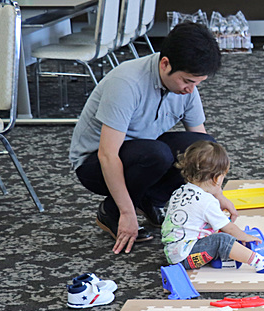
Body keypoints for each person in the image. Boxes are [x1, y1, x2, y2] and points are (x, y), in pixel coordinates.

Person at [69, 22, 239, 254]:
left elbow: (201, 144)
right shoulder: (126, 84)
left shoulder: (186, 88)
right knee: (157, 155)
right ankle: (113, 211)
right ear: (165, 63)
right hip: (95, 164)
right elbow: (107, 155)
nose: (191, 90)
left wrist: (217, 195)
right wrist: (127, 213)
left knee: (200, 149)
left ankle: (148, 201)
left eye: (198, 83)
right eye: (187, 81)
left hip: (141, 152)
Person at [162, 140, 264, 273]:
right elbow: (229, 228)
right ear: (217, 179)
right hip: (186, 258)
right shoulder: (206, 201)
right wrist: (244, 236)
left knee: (217, 234)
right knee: (223, 239)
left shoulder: (181, 191)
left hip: (173, 252)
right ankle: (260, 262)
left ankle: (222, 260)